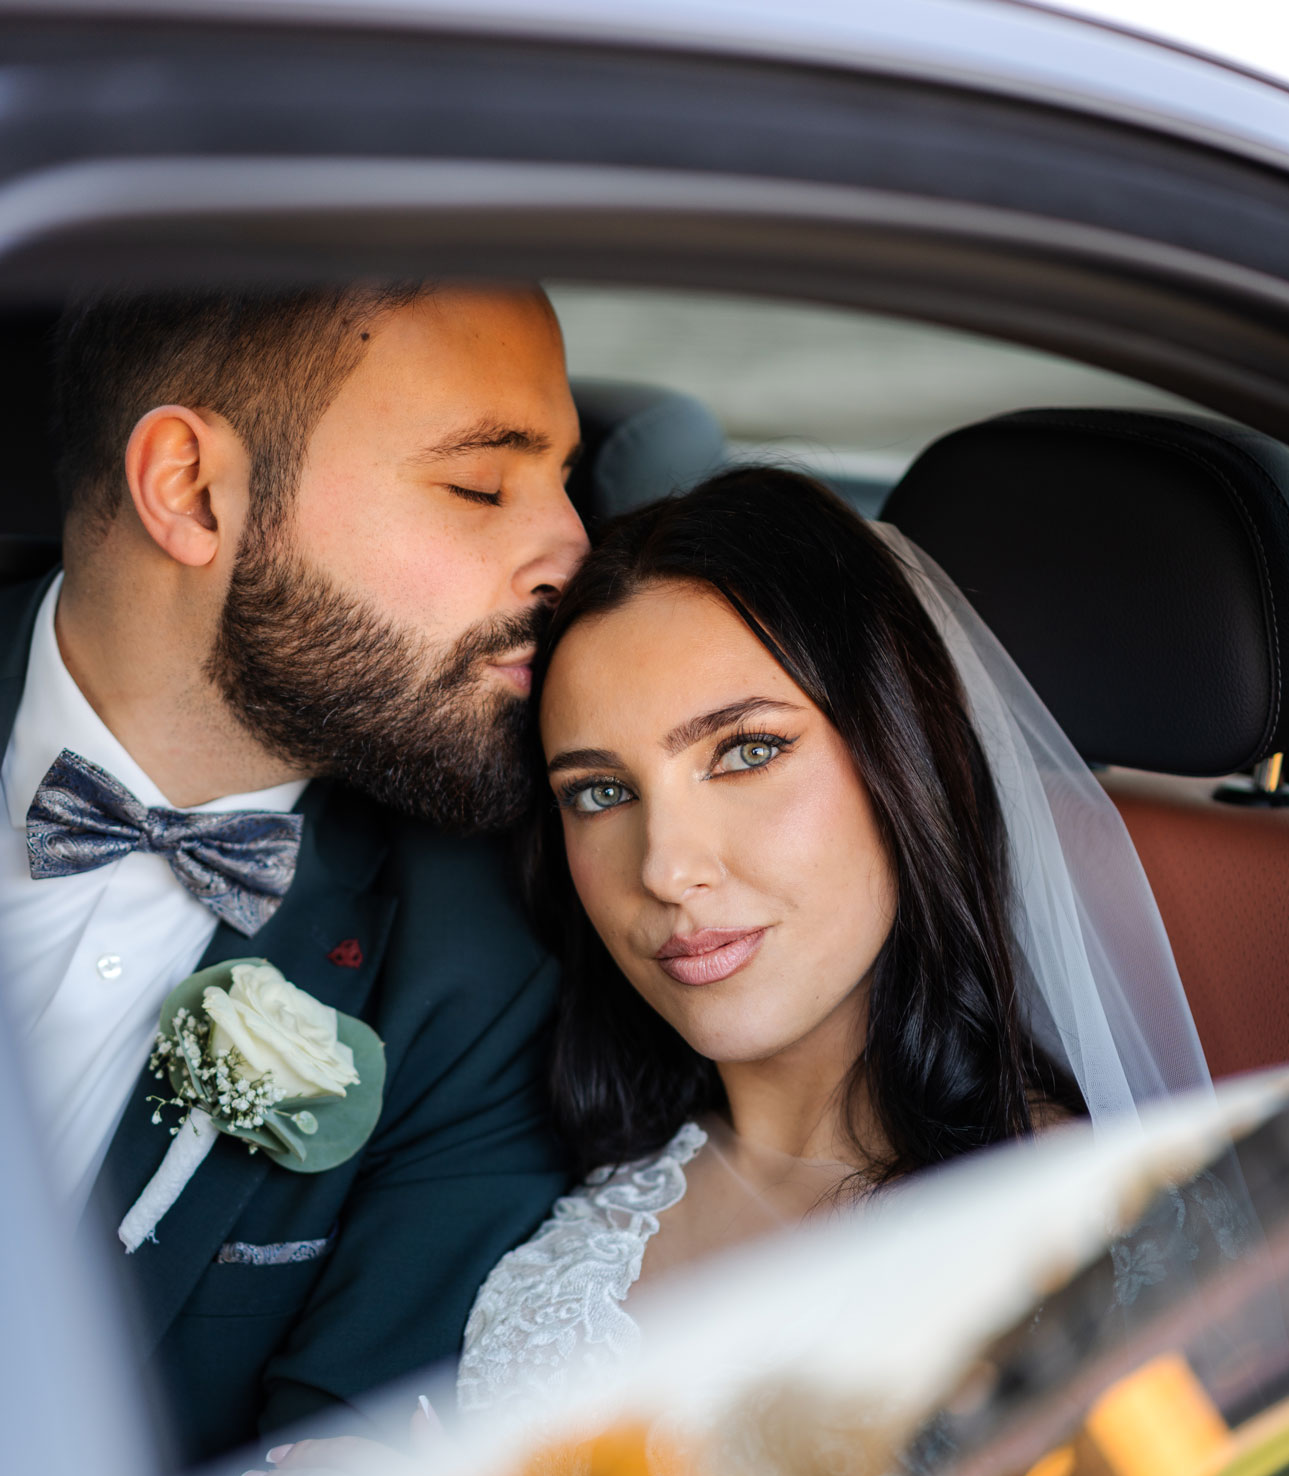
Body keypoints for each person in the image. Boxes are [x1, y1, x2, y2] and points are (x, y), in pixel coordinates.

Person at [456, 466, 1215, 1416]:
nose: (666, 869)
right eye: (600, 792)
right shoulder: (537, 1167)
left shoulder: (1084, 1225)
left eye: (747, 751)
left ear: (905, 756)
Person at [0, 282, 588, 1468]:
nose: (575, 554)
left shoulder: (481, 973)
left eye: (567, 480)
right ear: (191, 490)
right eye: (481, 485)